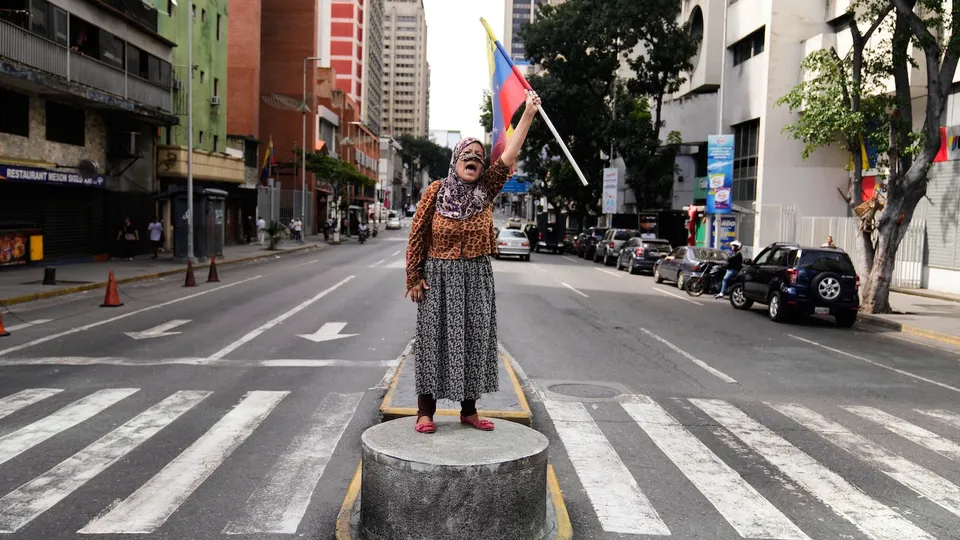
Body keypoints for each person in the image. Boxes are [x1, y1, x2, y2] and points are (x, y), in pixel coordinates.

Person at [405, 90, 541, 434]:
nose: (474, 159)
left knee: (475, 340)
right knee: (433, 341)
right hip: (438, 275)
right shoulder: (436, 191)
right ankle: (425, 411)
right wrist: (413, 277)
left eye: (479, 157)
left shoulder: (487, 189)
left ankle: (469, 410)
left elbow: (509, 154)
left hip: (477, 276)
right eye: (467, 154)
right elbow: (417, 235)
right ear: (455, 160)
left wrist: (527, 113)